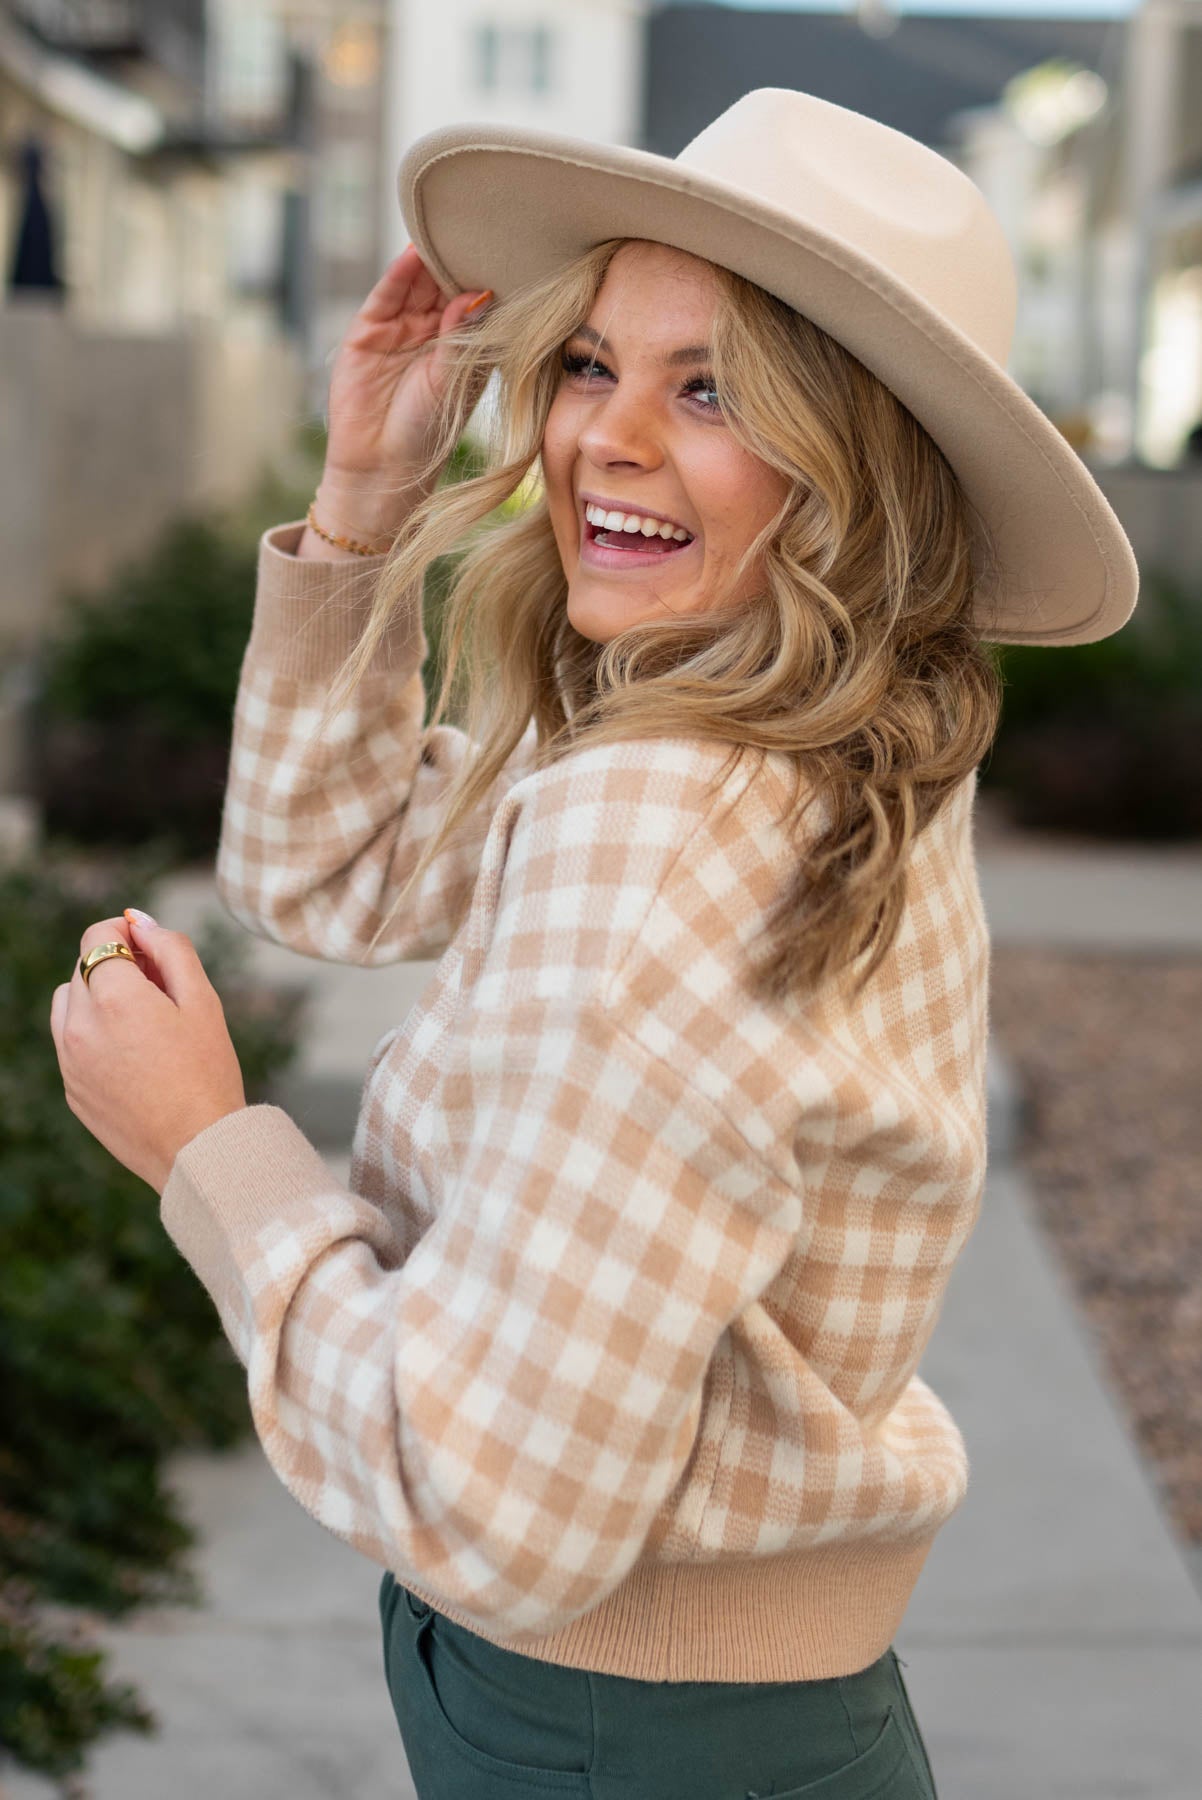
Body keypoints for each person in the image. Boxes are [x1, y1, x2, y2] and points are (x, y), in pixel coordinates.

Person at [51, 88, 1138, 1798]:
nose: (603, 439)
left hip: (621, 1733)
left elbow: (486, 1509)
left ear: (860, 471)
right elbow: (319, 867)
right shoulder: (815, 734)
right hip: (727, 1713)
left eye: (708, 389)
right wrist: (360, 504)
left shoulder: (663, 833)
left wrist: (206, 1147)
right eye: (586, 364)